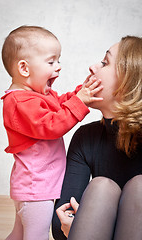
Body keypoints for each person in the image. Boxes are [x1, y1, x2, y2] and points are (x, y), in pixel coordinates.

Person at [1, 25, 103, 240]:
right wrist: (80, 102)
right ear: (25, 68)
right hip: (36, 190)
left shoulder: (36, 97)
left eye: (59, 60)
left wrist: (80, 92)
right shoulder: (20, 102)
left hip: (33, 189)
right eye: (51, 61)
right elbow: (52, 125)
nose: (58, 67)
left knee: (19, 234)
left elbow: (59, 104)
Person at [52, 35, 142, 240]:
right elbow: (60, 225)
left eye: (104, 62)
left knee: (139, 188)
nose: (92, 67)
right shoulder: (86, 137)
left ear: (129, 83)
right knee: (101, 187)